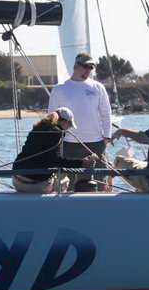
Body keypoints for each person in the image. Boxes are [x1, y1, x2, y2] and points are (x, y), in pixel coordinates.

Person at [47, 52, 112, 191]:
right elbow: (52, 117)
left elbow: (106, 113)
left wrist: (107, 136)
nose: (88, 70)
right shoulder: (59, 88)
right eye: (85, 66)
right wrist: (53, 140)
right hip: (69, 144)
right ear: (76, 66)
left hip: (96, 143)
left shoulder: (98, 87)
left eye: (91, 67)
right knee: (69, 185)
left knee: (100, 183)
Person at [11, 108, 96, 193]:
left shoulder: (38, 127)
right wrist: (82, 163)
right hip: (36, 184)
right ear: (64, 122)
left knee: (56, 174)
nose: (69, 128)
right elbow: (55, 161)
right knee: (65, 181)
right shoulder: (57, 133)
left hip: (17, 179)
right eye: (70, 125)